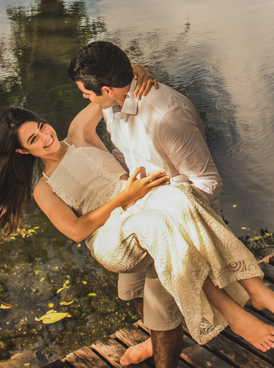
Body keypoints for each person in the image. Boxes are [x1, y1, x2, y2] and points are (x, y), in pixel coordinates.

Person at [0, 105, 274, 357]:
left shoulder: (78, 133)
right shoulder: (44, 188)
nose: (45, 137)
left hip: (143, 203)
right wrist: (123, 198)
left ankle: (254, 288)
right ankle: (233, 311)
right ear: (22, 150)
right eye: (34, 139)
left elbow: (106, 91)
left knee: (178, 194)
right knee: (155, 223)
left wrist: (137, 70)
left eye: (41, 126)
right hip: (110, 237)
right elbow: (77, 231)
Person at [66, 41, 223, 366]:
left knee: (161, 312)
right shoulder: (112, 104)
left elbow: (208, 182)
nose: (85, 98)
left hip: (175, 226)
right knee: (132, 291)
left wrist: (168, 214)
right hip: (139, 218)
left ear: (106, 89)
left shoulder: (168, 116)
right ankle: (159, 339)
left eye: (86, 92)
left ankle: (166, 346)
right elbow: (125, 153)